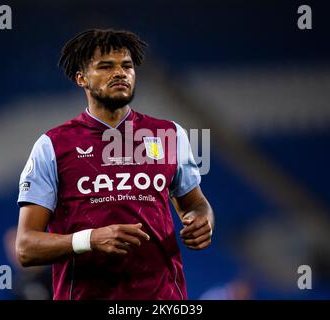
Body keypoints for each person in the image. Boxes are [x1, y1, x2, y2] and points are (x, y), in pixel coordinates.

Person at [16, 28, 214, 300]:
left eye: (127, 66)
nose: (120, 73)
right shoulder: (52, 146)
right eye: (106, 66)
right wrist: (90, 239)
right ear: (81, 78)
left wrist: (203, 221)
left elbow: (194, 204)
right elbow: (26, 247)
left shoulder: (170, 135)